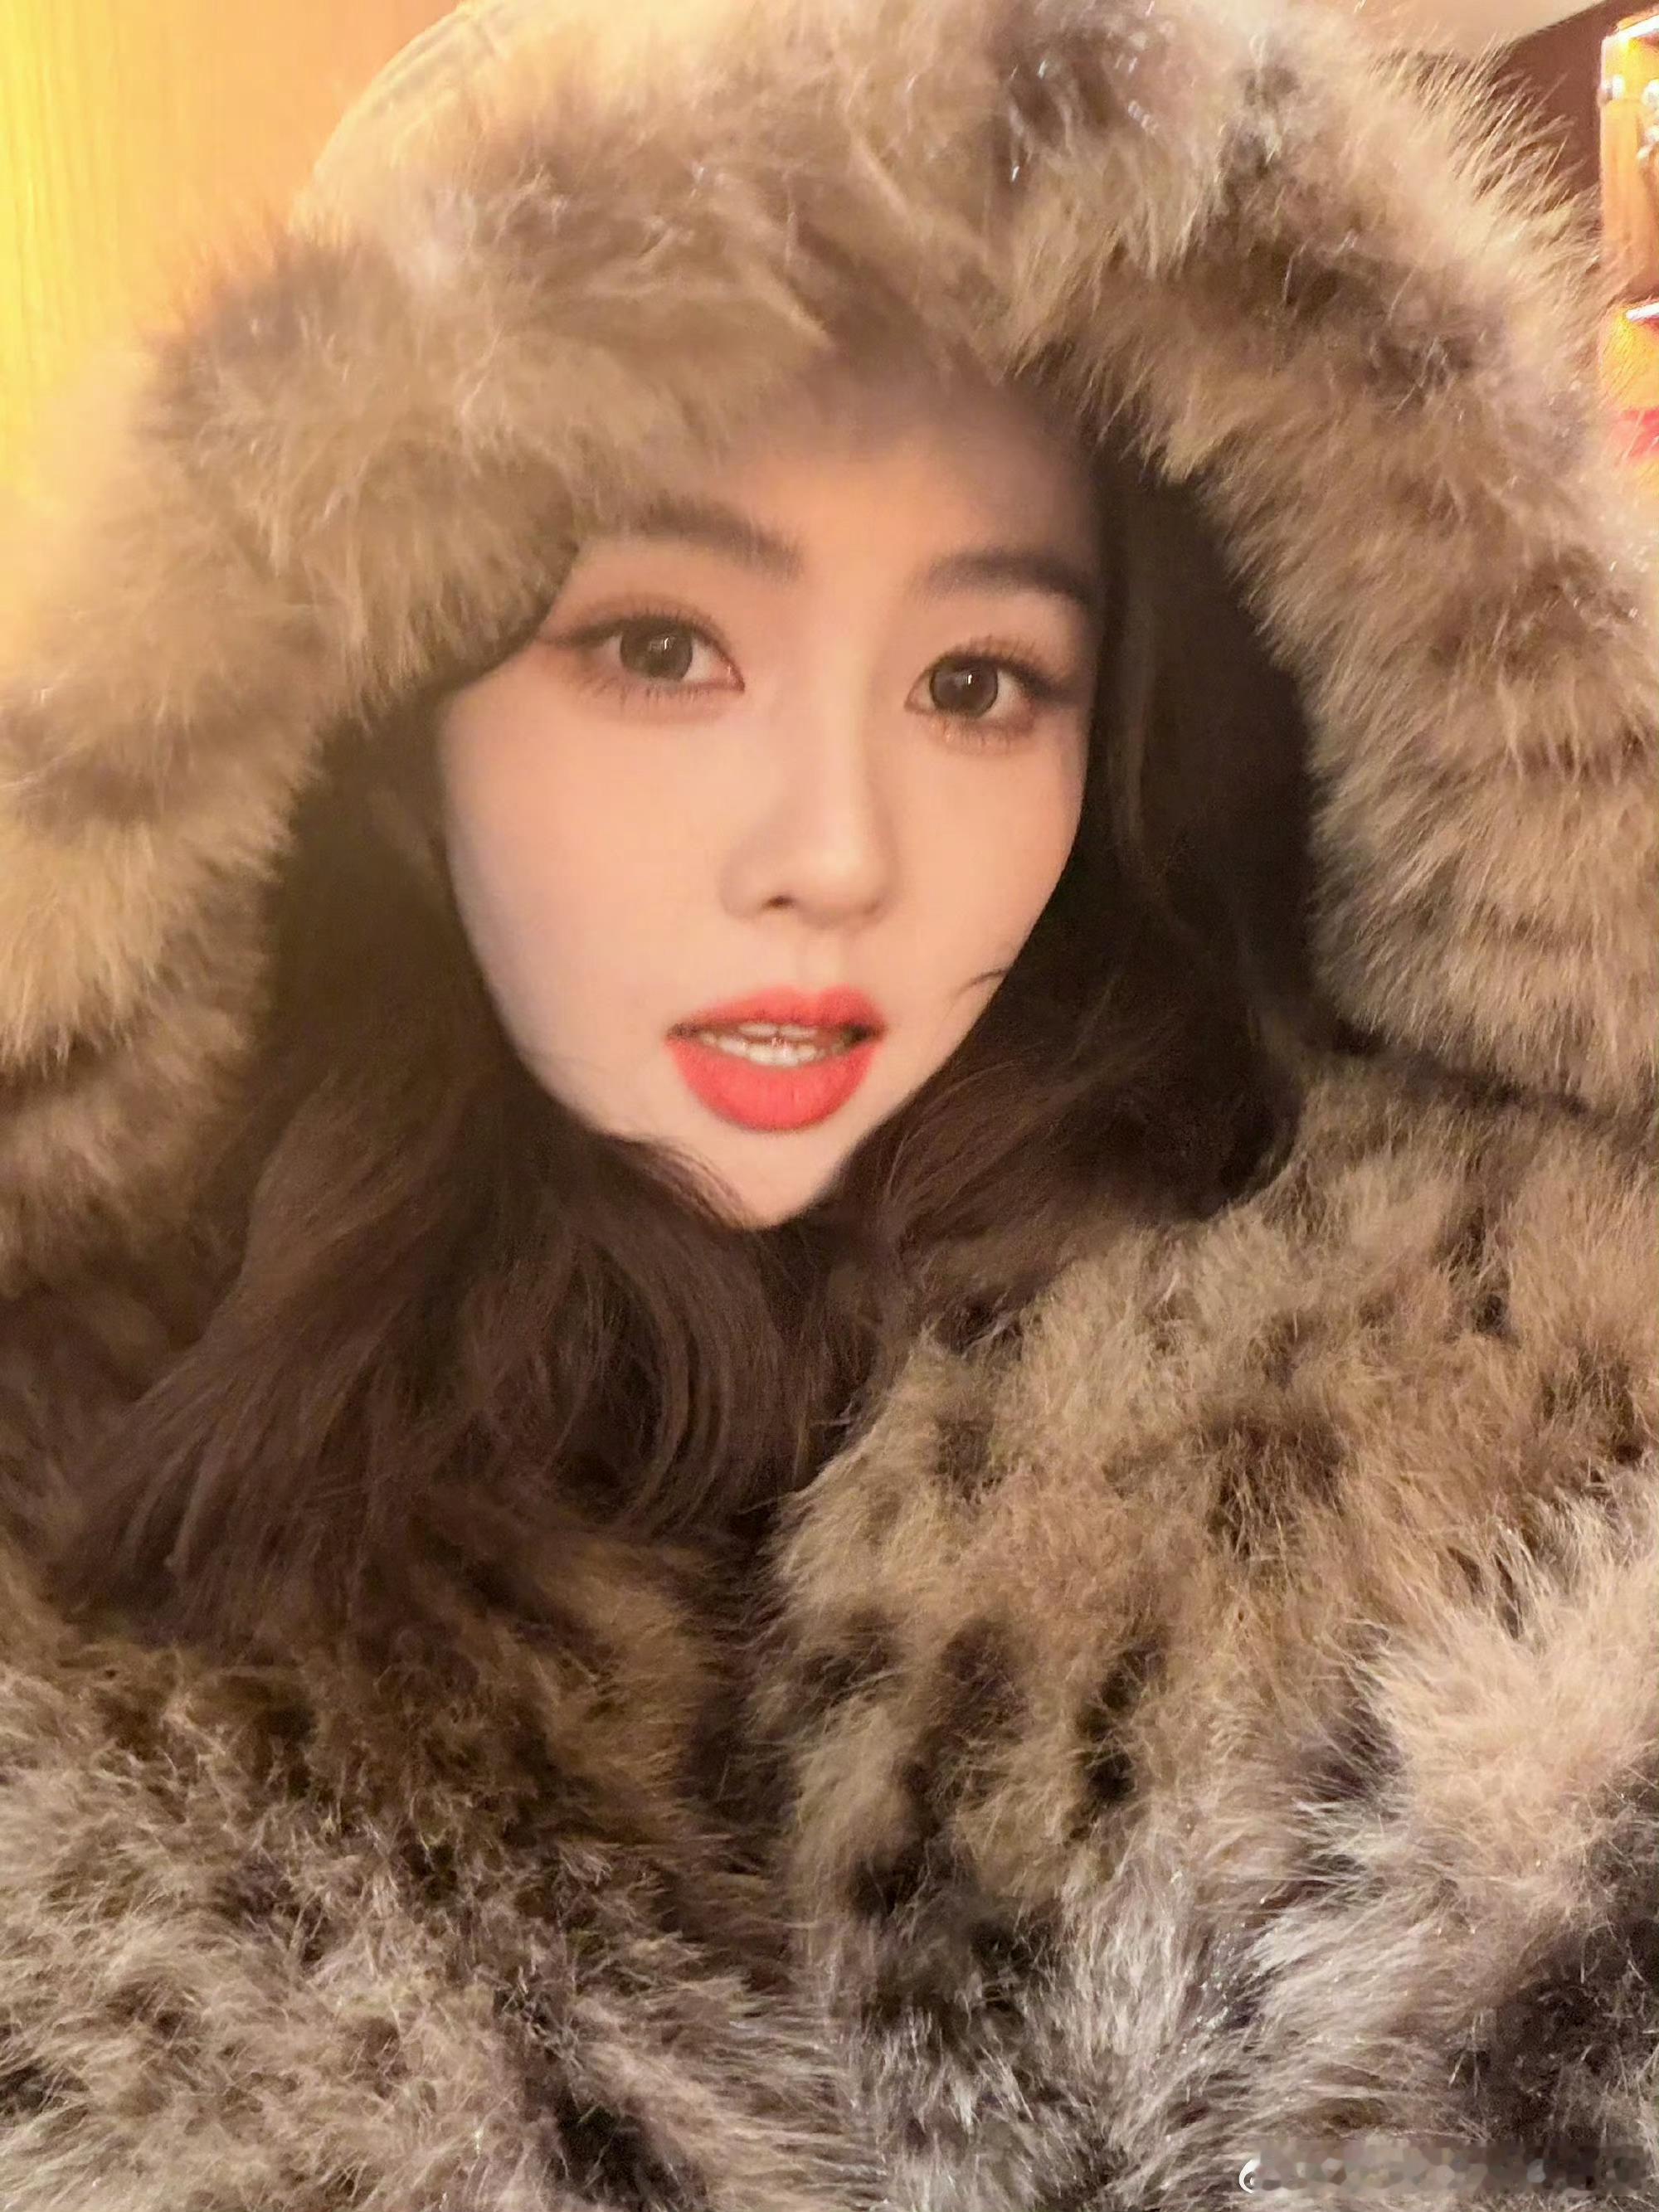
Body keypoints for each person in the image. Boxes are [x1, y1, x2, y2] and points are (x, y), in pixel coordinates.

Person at [0, 0, 1653, 2205]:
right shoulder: (75, 1517)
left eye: (980, 682)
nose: (838, 854)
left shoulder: (1486, 1387)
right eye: (660, 649)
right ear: (382, 712)